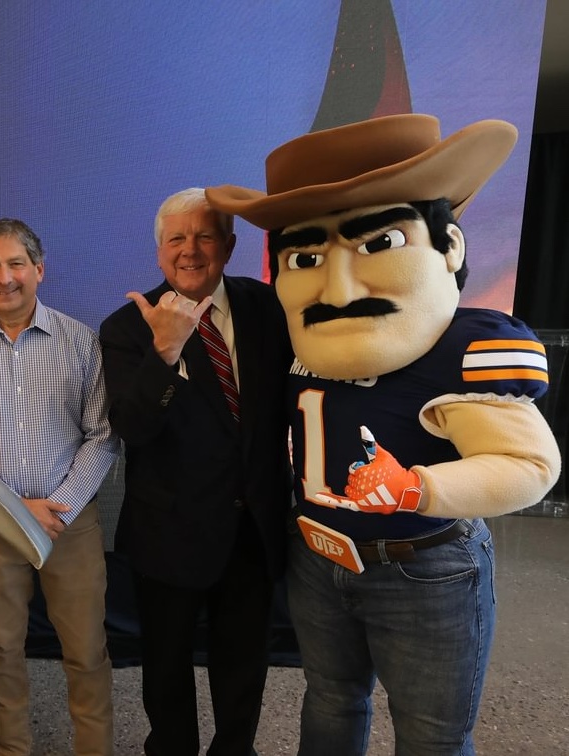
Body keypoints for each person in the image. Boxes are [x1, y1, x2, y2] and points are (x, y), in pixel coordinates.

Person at [205, 113, 561, 755]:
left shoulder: (465, 346)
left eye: (378, 245)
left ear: (449, 247)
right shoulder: (288, 335)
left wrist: (417, 486)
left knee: (430, 734)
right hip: (317, 557)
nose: (338, 288)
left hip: (424, 565)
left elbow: (526, 463)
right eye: (308, 257)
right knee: (331, 702)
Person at [98, 189, 293, 756]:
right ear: (159, 252)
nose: (190, 250)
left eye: (205, 236)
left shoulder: (269, 309)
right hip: (169, 534)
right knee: (165, 669)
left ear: (229, 246)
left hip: (252, 530)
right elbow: (133, 429)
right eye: (176, 239)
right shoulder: (128, 327)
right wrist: (164, 351)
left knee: (243, 666)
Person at [0, 218, 118, 756]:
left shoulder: (83, 343)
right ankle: (13, 749)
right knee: (1, 648)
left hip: (69, 525)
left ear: (39, 269)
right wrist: (15, 507)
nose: (5, 276)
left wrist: (56, 507)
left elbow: (103, 436)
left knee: (87, 651)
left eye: (16, 263)